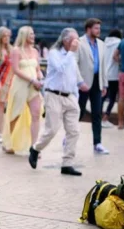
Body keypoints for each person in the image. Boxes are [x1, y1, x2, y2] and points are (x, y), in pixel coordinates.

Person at [28, 28, 83, 176]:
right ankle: (35, 148)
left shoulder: (73, 55)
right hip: (54, 95)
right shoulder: (54, 53)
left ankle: (67, 163)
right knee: (51, 129)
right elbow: (61, 69)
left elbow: (73, 75)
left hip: (70, 97)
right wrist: (71, 52)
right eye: (75, 39)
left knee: (74, 131)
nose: (77, 42)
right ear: (66, 40)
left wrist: (76, 94)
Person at [2, 26, 43, 154]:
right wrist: (32, 80)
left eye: (33, 34)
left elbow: (38, 69)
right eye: (31, 34)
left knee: (36, 114)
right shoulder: (16, 51)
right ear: (24, 35)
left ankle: (34, 147)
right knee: (15, 114)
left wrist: (41, 78)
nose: (33, 36)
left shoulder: (35, 51)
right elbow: (15, 70)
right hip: (20, 86)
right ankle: (8, 142)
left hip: (34, 87)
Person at [76, 18, 110, 154]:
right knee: (79, 112)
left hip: (97, 82)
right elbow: (74, 64)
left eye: (99, 28)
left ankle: (97, 143)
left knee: (97, 113)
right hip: (82, 83)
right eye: (96, 28)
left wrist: (104, 84)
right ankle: (69, 137)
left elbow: (103, 65)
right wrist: (79, 82)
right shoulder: (79, 42)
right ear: (88, 29)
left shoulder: (101, 44)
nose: (98, 31)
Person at [102, 29, 122, 127]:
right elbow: (117, 57)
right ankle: (105, 118)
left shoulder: (103, 44)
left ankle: (98, 117)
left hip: (104, 74)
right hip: (114, 75)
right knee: (112, 98)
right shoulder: (119, 43)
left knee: (102, 97)